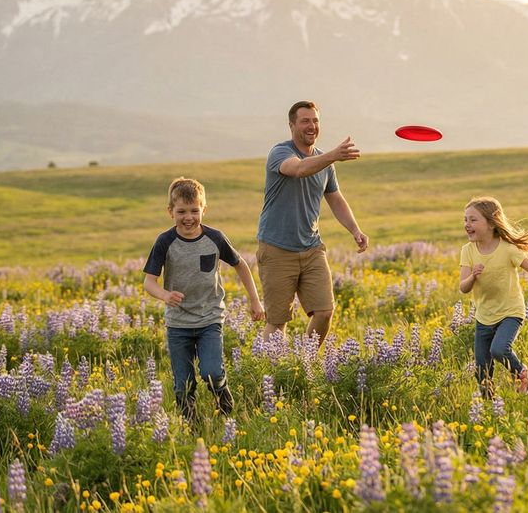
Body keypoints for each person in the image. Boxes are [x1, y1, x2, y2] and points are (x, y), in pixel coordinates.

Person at [143, 177, 265, 421]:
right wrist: (165, 295)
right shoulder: (164, 241)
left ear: (203, 210)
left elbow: (240, 265)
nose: (188, 217)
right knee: (183, 383)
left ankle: (225, 408)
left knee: (212, 373)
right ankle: (193, 426)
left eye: (194, 211)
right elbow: (149, 282)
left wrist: (255, 300)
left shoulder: (215, 237)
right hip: (178, 324)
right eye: (181, 211)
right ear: (171, 212)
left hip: (210, 319)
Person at [257, 101, 368, 345]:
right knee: (277, 321)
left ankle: (304, 362)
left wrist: (355, 229)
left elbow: (335, 198)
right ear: (292, 125)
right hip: (277, 249)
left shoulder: (324, 162)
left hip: (311, 248)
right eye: (305, 121)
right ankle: (274, 371)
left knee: (325, 311)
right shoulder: (280, 153)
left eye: (315, 121)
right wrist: (333, 156)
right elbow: (298, 169)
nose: (312, 126)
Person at [459, 196, 528, 395]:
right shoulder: (467, 251)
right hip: (483, 316)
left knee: (499, 349)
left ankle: (520, 371)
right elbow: (463, 287)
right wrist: (473, 277)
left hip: (511, 311)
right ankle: (489, 409)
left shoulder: (508, 249)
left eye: (473, 220)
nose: (467, 224)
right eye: (465, 220)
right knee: (482, 371)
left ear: (491, 223)